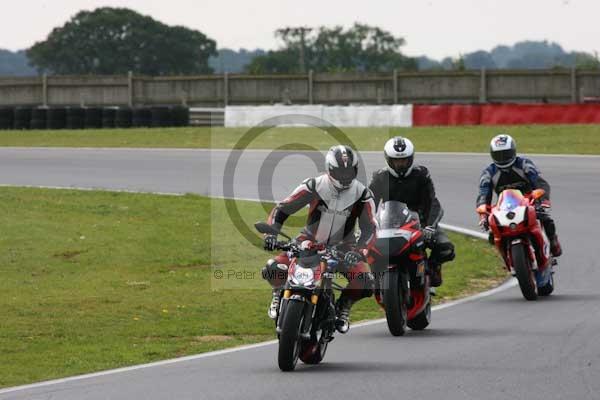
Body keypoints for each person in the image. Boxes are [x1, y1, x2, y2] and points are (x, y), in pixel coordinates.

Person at [262, 145, 377, 334]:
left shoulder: (363, 194)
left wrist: (360, 251)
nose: (345, 175)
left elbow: (371, 227)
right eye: (340, 171)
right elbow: (282, 208)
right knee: (273, 268)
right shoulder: (314, 185)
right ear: (330, 169)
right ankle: (278, 291)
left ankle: (344, 306)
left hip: (344, 247)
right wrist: (271, 234)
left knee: (365, 281)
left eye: (349, 171)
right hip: (308, 241)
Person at [369, 136, 455, 287]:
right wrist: (367, 226)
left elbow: (433, 202)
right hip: (389, 223)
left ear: (411, 159)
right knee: (368, 250)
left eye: (404, 161)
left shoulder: (421, 175)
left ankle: (432, 268)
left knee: (445, 248)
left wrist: (429, 226)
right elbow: (369, 205)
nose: (400, 165)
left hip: (420, 222)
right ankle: (378, 280)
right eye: (396, 161)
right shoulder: (380, 177)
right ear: (388, 160)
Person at [476, 134, 562, 257]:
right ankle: (507, 257)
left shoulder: (524, 164)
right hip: (505, 207)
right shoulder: (489, 172)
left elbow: (539, 182)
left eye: (505, 154)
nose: (502, 158)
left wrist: (543, 200)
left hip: (529, 201)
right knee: (492, 234)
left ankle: (553, 241)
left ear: (513, 151)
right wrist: (483, 213)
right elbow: (483, 194)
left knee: (546, 218)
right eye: (498, 155)